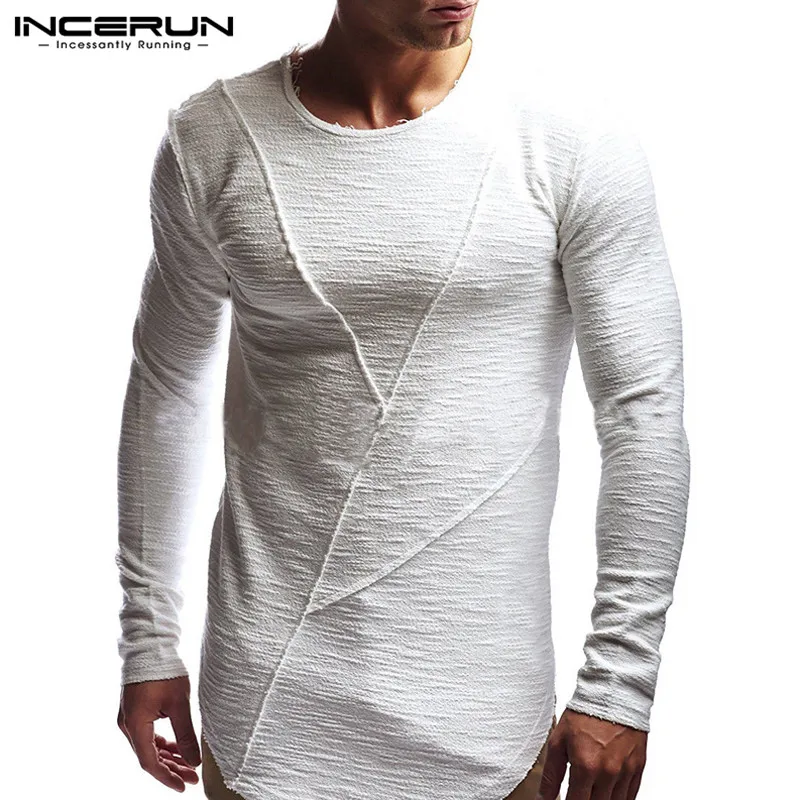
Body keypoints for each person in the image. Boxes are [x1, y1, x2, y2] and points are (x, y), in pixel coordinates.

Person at [114, 2, 691, 799]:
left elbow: (642, 414)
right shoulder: (212, 137)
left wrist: (620, 682)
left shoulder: (568, 139)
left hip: (482, 715)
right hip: (267, 711)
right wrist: (148, 638)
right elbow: (166, 390)